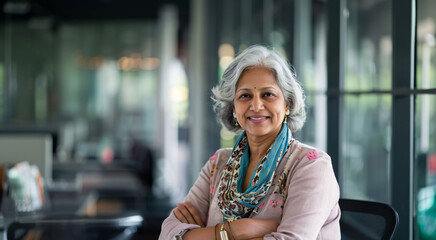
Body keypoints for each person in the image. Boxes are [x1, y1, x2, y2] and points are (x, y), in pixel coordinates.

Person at [159, 45, 340, 239]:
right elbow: (169, 233)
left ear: (287, 103)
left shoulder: (310, 164)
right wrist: (237, 230)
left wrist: (201, 234)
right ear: (234, 107)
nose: (256, 106)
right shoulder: (218, 163)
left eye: (268, 94)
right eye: (245, 96)